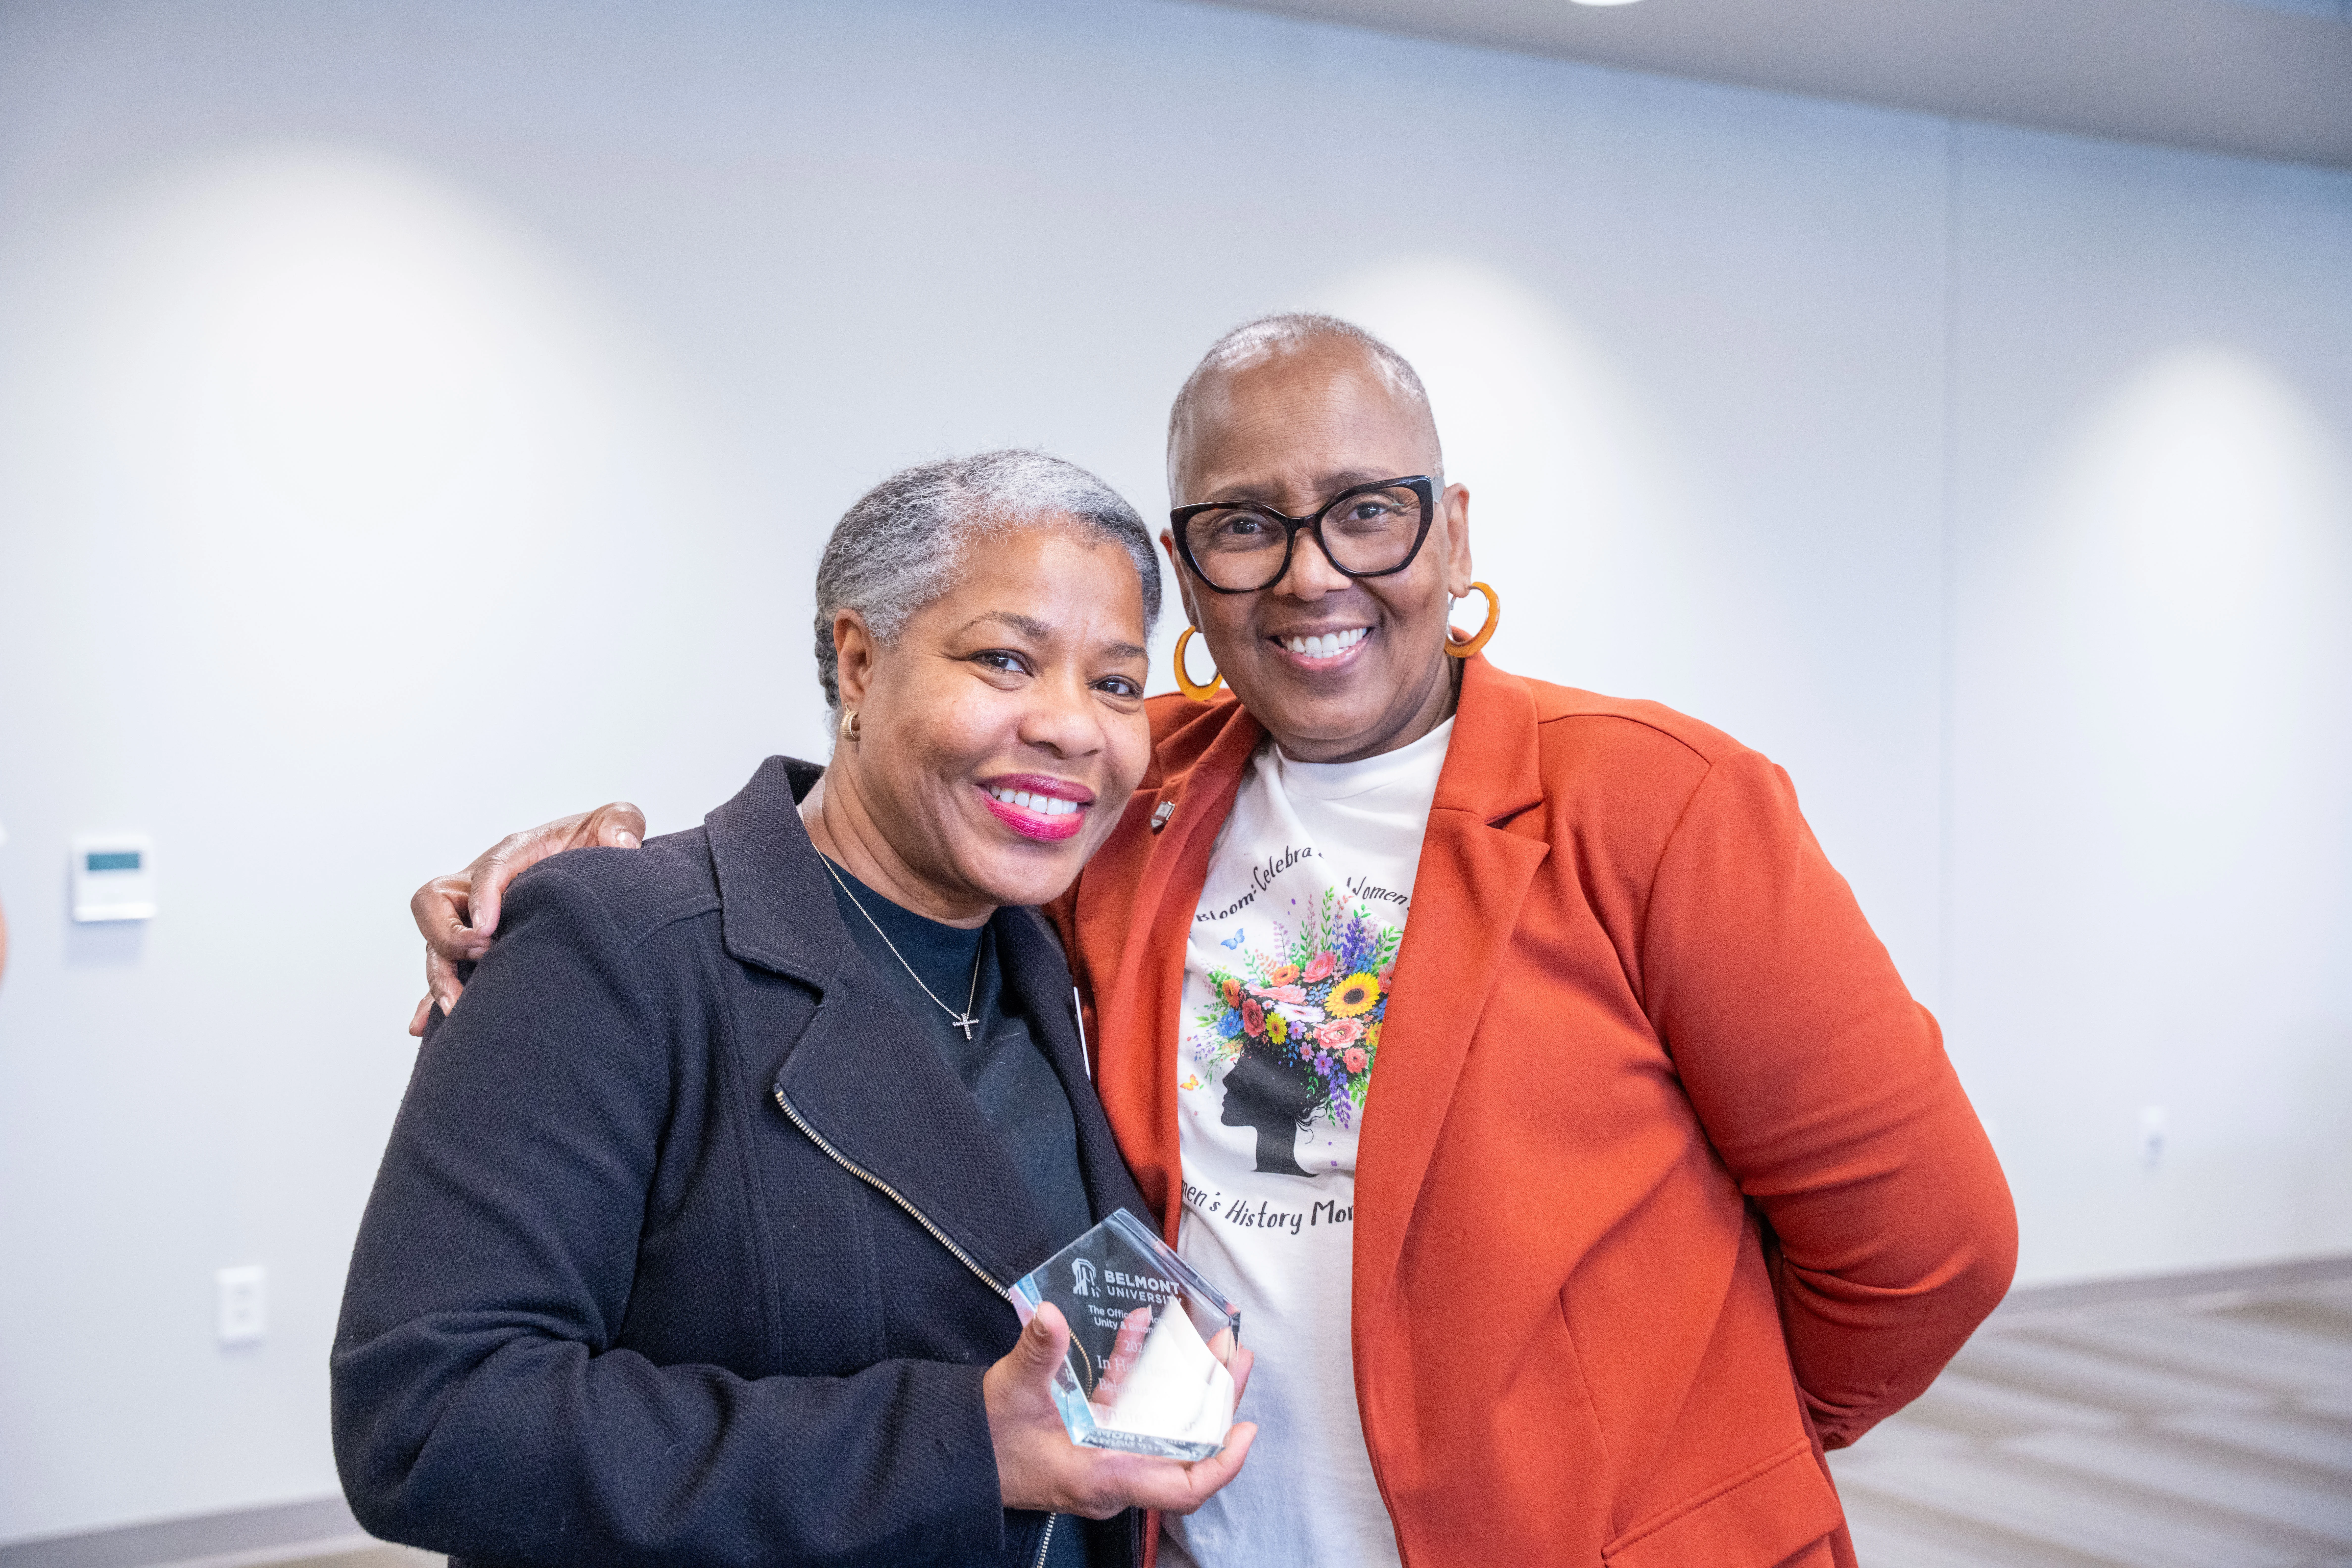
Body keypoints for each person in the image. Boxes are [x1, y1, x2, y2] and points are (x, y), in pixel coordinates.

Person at [415, 316, 2017, 1568]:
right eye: (1249, 524)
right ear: (1191, 568)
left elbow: (1928, 1245)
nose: (1315, 570)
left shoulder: (1651, 804)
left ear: (1450, 535)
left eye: (1368, 513)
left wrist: (1689, 1435)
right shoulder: (1137, 788)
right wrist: (582, 869)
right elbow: (904, 800)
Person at [338, 452, 1256, 1568]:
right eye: (1005, 659)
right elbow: (429, 1419)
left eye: (1117, 682)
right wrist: (957, 1441)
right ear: (859, 664)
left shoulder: (1063, 955)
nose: (1073, 726)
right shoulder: (621, 945)